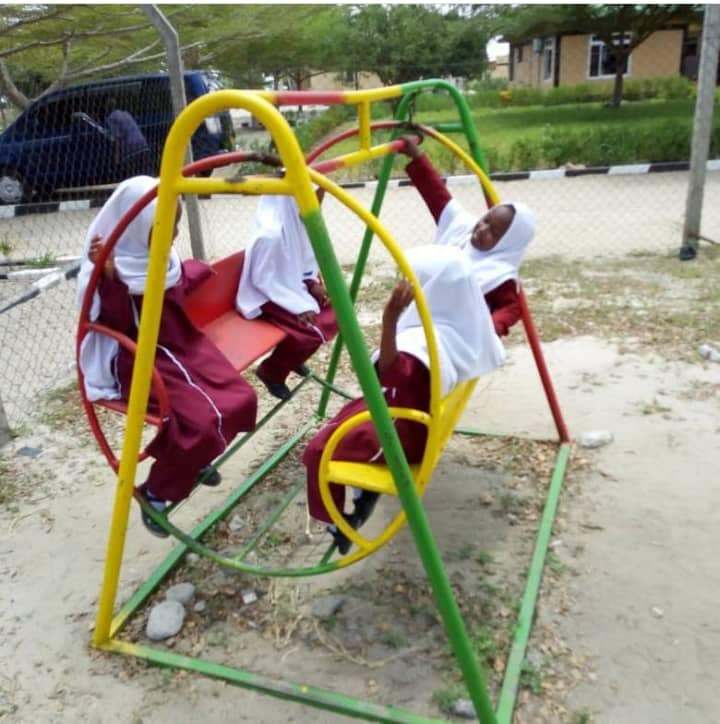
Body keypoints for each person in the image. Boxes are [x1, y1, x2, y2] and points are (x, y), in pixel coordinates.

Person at [77, 175, 258, 537]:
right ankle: (156, 492)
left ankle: (195, 457)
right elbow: (113, 324)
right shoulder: (109, 266)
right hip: (137, 358)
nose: (174, 235)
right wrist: (111, 280)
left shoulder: (159, 256)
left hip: (181, 345)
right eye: (166, 227)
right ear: (138, 226)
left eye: (176, 225)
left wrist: (194, 271)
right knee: (200, 421)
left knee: (241, 398)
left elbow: (176, 287)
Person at [302, 244, 505, 554]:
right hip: (409, 414)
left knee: (317, 451)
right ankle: (362, 496)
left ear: (430, 290)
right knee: (343, 417)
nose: (403, 288)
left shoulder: (426, 341)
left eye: (411, 283)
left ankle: (337, 522)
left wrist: (390, 320)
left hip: (402, 433)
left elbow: (391, 374)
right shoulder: (457, 325)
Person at [398, 136, 536, 338]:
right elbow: (436, 193)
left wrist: (491, 328)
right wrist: (416, 155)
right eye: (485, 220)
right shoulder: (462, 226)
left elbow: (511, 308)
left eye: (493, 233)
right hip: (421, 317)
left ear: (506, 244)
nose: (482, 229)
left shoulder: (498, 274)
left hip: (454, 334)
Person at [235, 191, 338, 400]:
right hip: (267, 297)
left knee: (334, 312)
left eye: (320, 199)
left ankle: (291, 358)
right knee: (310, 329)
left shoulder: (298, 224)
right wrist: (298, 306)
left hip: (288, 289)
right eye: (313, 197)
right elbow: (263, 280)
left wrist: (312, 283)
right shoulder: (270, 236)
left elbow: (303, 264)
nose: (317, 204)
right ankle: (272, 372)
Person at [104, 97, 155, 178]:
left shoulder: (111, 118)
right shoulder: (126, 113)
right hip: (142, 144)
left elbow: (118, 138)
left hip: (130, 149)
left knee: (134, 174)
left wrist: (117, 157)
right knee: (148, 172)